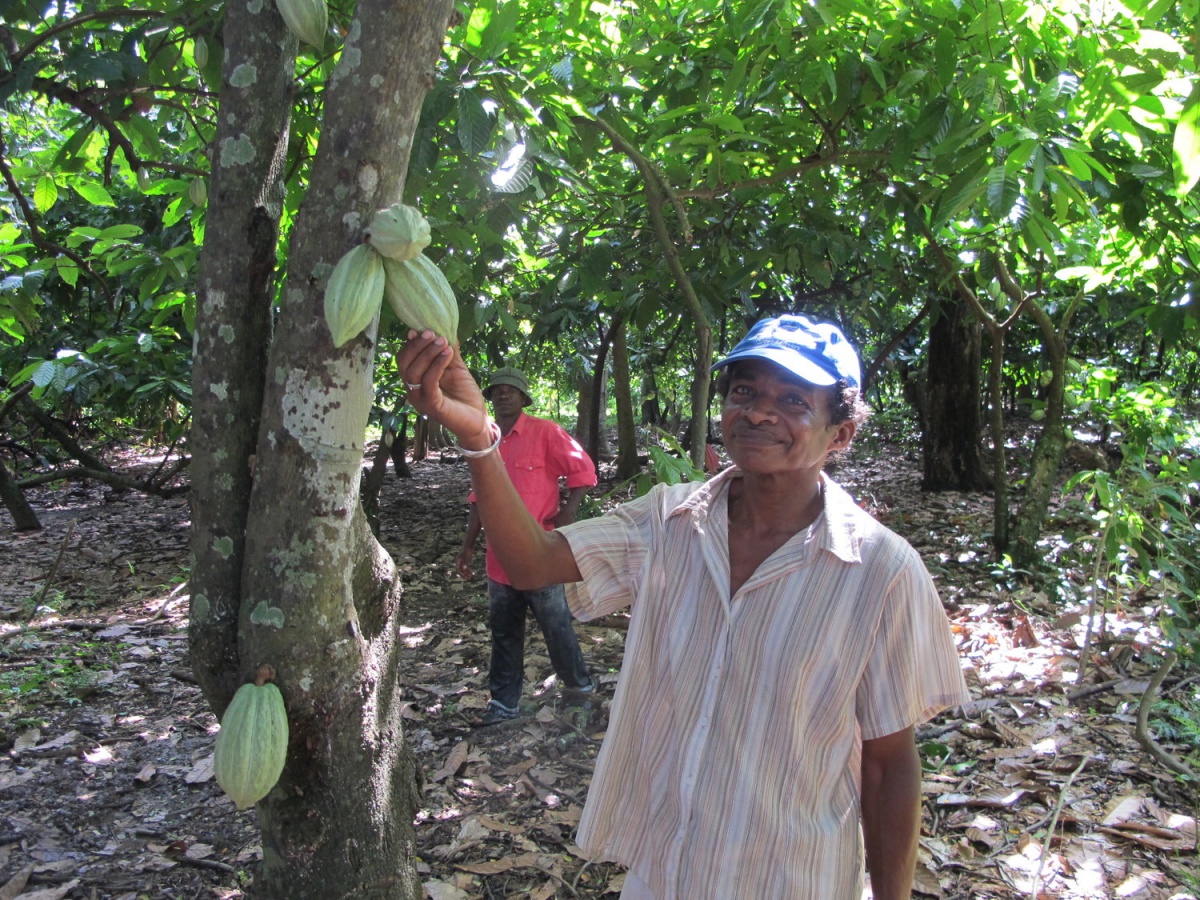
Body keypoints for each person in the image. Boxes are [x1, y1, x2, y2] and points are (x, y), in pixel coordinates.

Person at [400, 315, 971, 900]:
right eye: (744, 391)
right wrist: (477, 437)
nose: (757, 412)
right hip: (666, 868)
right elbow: (532, 562)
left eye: (793, 400)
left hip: (792, 877)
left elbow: (888, 765)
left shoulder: (881, 570)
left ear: (840, 434)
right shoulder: (668, 522)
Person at [453, 366, 598, 726]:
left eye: (511, 390)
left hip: (540, 554)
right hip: (498, 559)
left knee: (556, 627)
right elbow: (479, 498)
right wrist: (468, 545)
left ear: (522, 397)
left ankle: (579, 691)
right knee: (504, 633)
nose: (503, 395)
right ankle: (504, 704)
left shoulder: (545, 432)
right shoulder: (485, 439)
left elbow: (584, 472)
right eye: (497, 390)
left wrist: (565, 516)